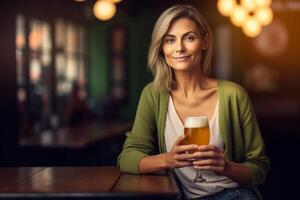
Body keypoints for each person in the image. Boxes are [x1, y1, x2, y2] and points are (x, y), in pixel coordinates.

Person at [117, 4, 269, 200]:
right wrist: (167, 159)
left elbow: (259, 167)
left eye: (189, 38)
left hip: (232, 194)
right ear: (162, 48)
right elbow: (127, 159)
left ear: (205, 41)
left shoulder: (234, 95)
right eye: (170, 40)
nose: (179, 48)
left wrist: (226, 167)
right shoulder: (154, 94)